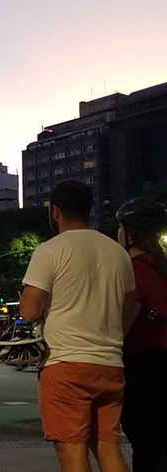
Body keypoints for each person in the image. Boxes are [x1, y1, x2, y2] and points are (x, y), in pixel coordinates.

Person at [20, 180, 134, 472]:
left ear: (55, 211)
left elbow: (29, 311)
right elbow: (130, 307)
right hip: (110, 363)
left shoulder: (49, 251)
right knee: (108, 448)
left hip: (65, 366)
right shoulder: (118, 253)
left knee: (72, 454)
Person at [116, 198, 167, 471]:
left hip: (143, 369)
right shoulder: (162, 267)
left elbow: (121, 328)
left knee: (145, 447)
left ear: (129, 232)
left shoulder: (134, 271)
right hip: (161, 362)